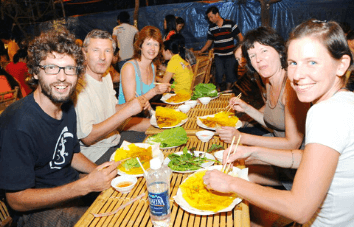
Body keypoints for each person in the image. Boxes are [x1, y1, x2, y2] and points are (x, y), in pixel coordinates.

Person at [204, 19, 354, 226]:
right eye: (293, 63)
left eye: (312, 62)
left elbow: (299, 209)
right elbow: (309, 157)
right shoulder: (344, 101)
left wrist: (232, 183)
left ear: (342, 65)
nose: (298, 75)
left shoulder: (326, 113)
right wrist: (253, 152)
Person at [0, 28, 120, 226]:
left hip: (72, 189)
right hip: (35, 213)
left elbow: (70, 153)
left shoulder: (66, 106)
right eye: (52, 68)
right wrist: (83, 187)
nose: (62, 77)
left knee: (128, 202)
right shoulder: (18, 124)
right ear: (36, 72)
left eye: (70, 68)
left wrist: (101, 173)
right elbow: (17, 200)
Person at [218, 27, 310, 191]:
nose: (258, 59)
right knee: (228, 163)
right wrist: (247, 108)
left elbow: (292, 143)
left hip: (299, 165)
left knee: (240, 175)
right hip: (277, 152)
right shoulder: (269, 81)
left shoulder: (291, 87)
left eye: (264, 51)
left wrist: (242, 138)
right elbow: (272, 121)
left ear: (280, 52)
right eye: (253, 55)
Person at [75, 29, 150, 163]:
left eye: (107, 51)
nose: (102, 57)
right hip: (96, 155)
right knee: (149, 160)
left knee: (156, 142)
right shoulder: (78, 86)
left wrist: (134, 104)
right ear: (84, 53)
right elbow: (88, 138)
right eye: (96, 50)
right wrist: (128, 110)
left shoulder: (105, 76)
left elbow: (111, 109)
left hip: (115, 140)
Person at [118, 26, 170, 107]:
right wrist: (154, 91)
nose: (152, 48)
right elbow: (131, 105)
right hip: (128, 117)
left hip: (145, 112)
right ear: (140, 46)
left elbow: (147, 94)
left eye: (156, 44)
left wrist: (162, 89)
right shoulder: (129, 67)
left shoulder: (153, 66)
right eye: (148, 44)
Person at [197, 6, 243, 92]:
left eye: (211, 17)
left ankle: (228, 91)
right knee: (219, 74)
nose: (210, 19)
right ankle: (218, 91)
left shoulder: (230, 24)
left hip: (230, 55)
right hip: (219, 56)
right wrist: (201, 51)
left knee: (230, 74)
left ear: (217, 14)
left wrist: (237, 49)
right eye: (209, 18)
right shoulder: (211, 28)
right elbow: (209, 41)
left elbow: (241, 38)